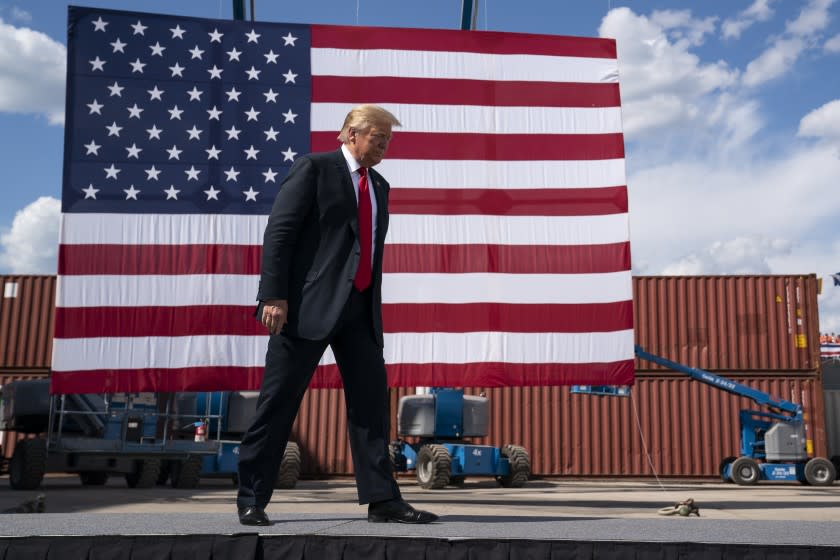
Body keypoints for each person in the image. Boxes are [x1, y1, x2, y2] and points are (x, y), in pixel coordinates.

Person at [236, 104, 438, 526]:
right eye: (377, 137)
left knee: (370, 408)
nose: (384, 145)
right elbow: (280, 232)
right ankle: (252, 498)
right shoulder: (314, 168)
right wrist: (274, 296)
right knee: (278, 404)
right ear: (350, 133)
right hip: (306, 308)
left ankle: (382, 500)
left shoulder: (379, 185)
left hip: (361, 312)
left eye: (388, 139)